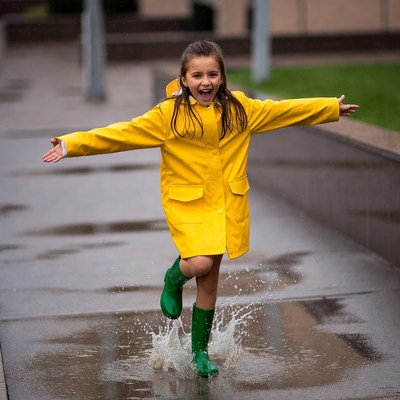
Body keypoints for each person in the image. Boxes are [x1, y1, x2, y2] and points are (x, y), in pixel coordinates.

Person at [42, 40, 359, 377]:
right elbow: (122, 133)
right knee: (199, 262)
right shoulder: (168, 115)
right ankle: (173, 278)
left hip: (224, 205)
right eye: (197, 75)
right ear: (183, 79)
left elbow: (281, 111)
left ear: (222, 77)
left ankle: (200, 354)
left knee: (209, 284)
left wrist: (328, 109)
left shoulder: (240, 108)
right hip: (188, 205)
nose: (205, 82)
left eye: (212, 74)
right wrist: (71, 144)